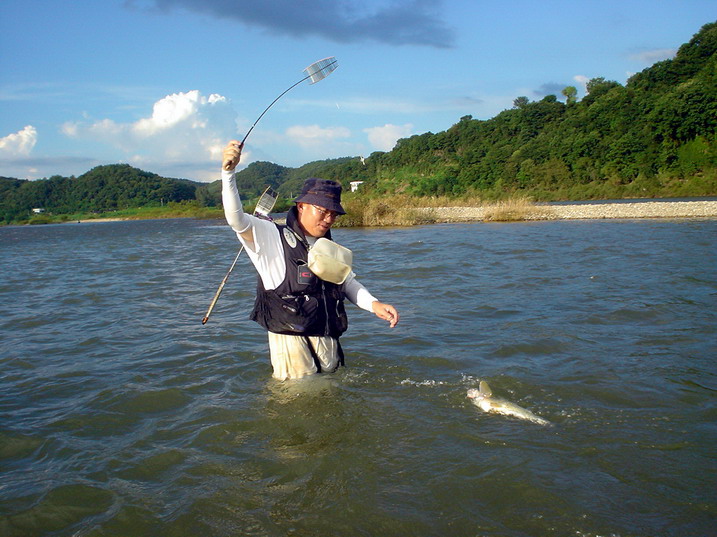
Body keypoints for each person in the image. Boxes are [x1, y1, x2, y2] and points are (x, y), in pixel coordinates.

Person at [221, 140, 400, 380]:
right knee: (296, 405)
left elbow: (346, 283)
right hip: (291, 345)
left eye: (333, 213)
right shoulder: (269, 235)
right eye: (322, 211)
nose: (328, 218)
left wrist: (374, 304)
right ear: (302, 206)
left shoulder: (328, 246)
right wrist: (228, 173)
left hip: (328, 340)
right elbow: (236, 220)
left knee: (331, 402)